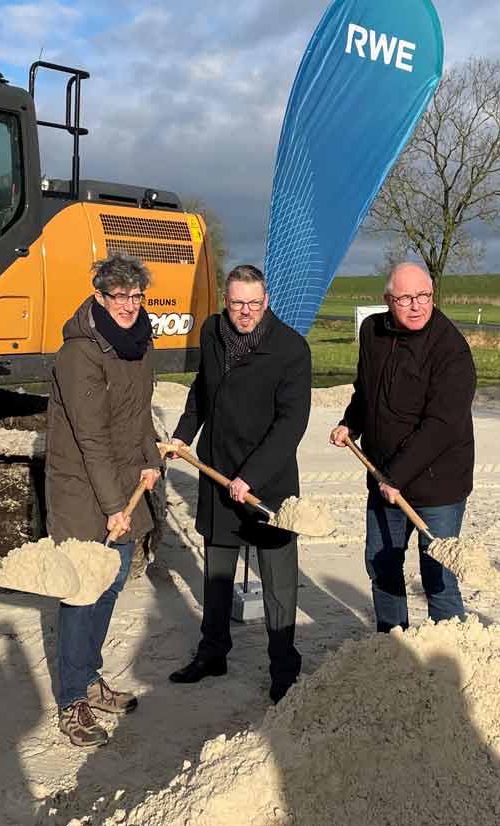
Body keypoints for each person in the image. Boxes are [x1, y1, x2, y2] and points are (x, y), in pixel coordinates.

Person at [164, 264, 311, 703]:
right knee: (218, 571)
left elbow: (291, 424)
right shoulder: (212, 332)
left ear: (266, 302)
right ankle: (213, 651)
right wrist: (182, 434)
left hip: (268, 480)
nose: (245, 312)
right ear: (224, 302)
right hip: (217, 470)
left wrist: (253, 476)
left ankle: (283, 667)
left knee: (278, 581)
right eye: (236, 303)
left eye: (253, 303)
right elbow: (201, 390)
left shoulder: (290, 348)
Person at [45, 254, 163, 747]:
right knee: (82, 591)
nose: (129, 306)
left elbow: (137, 417)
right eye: (119, 297)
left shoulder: (137, 345)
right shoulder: (79, 354)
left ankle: (88, 677)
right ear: (99, 297)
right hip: (81, 489)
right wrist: (117, 506)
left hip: (121, 483)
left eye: (137, 296)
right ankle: (72, 698)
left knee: (111, 585)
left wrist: (152, 458)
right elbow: (90, 436)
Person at [330, 261, 477, 630]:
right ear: (387, 300)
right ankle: (392, 648)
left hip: (437, 484)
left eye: (424, 296)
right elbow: (367, 391)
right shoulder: (372, 332)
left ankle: (452, 654)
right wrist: (351, 422)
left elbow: (442, 426)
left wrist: (397, 475)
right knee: (382, 565)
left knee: (438, 574)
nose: (417, 306)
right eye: (406, 298)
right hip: (383, 477)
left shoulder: (451, 349)